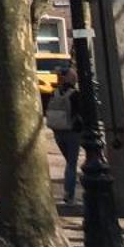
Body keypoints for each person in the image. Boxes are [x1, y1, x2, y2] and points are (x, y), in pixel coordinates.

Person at [45, 67, 81, 205]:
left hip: (57, 131)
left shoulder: (54, 93)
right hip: (71, 130)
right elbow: (80, 112)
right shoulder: (74, 94)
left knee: (69, 161)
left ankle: (69, 190)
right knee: (72, 163)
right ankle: (69, 194)